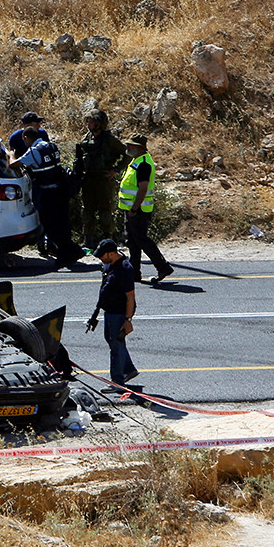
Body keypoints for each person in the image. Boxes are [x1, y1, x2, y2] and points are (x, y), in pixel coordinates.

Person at [8, 127, 84, 267]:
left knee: (50, 225)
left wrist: (11, 154)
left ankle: (73, 251)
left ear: (26, 138)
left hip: (50, 194)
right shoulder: (51, 146)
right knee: (62, 224)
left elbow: (13, 164)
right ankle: (67, 254)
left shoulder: (34, 151)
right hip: (61, 191)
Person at [118, 133, 174, 284]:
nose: (128, 147)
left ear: (140, 148)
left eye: (131, 145)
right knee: (133, 242)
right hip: (133, 209)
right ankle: (134, 273)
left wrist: (134, 210)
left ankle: (163, 267)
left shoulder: (143, 163)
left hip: (138, 210)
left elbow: (142, 189)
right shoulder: (137, 161)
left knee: (141, 240)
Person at [73, 109, 127, 248]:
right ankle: (88, 241)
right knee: (87, 211)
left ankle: (108, 240)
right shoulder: (86, 138)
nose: (88, 124)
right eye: (88, 121)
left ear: (99, 123)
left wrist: (116, 170)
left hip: (104, 179)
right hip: (89, 179)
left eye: (91, 121)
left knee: (105, 211)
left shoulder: (110, 140)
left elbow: (127, 154)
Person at [89, 239, 138, 391]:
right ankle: (128, 369)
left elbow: (130, 297)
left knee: (116, 347)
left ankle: (117, 382)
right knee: (114, 341)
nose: (100, 259)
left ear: (111, 253)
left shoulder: (124, 269)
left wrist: (128, 320)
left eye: (102, 256)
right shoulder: (112, 265)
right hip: (110, 311)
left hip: (118, 313)